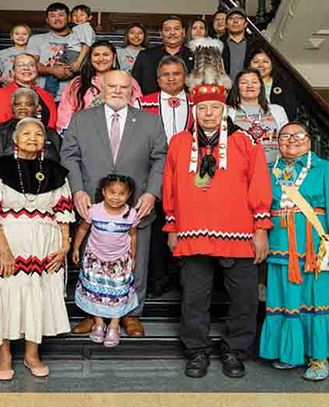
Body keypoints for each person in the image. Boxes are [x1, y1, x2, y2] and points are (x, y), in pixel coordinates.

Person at [162, 68, 272, 379]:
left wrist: (260, 230)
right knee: (195, 297)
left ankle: (235, 349)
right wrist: (172, 228)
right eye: (202, 108)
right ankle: (197, 351)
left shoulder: (245, 141)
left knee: (245, 298)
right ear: (194, 111)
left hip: (239, 233)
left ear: (224, 109)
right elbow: (169, 187)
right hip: (192, 233)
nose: (208, 113)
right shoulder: (179, 143)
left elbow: (260, 185)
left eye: (214, 107)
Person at [61, 70, 167, 337]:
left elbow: (160, 159)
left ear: (132, 91)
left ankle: (131, 314)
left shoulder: (150, 122)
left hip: (136, 206)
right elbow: (69, 156)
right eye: (113, 86)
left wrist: (152, 193)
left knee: (135, 262)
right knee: (92, 262)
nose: (118, 91)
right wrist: (77, 191)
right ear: (101, 89)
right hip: (93, 206)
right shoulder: (81, 119)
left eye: (124, 87)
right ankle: (90, 312)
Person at [0, 117, 74, 380]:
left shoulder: (55, 171)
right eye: (25, 133)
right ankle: (3, 355)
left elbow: (63, 212)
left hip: (44, 245)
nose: (32, 138)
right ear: (15, 139)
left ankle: (31, 354)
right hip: (7, 242)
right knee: (5, 294)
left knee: (37, 294)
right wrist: (4, 251)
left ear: (45, 141)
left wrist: (64, 246)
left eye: (38, 134)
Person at [259, 122, 329, 381]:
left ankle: (318, 357)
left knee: (317, 301)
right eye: (285, 136)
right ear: (277, 142)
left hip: (316, 251)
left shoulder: (326, 170)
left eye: (298, 135)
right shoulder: (268, 171)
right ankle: (291, 354)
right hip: (280, 250)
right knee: (285, 301)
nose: (291, 140)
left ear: (310, 140)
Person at [134, 55, 194, 297]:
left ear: (185, 77)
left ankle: (183, 277)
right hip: (152, 174)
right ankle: (157, 278)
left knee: (186, 225)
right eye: (166, 75)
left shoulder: (198, 104)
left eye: (176, 74)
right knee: (157, 227)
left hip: (188, 176)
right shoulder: (142, 103)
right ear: (158, 79)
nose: (171, 78)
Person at [73, 174, 139, 348]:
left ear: (128, 195)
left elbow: (132, 235)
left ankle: (114, 326)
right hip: (95, 258)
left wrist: (133, 256)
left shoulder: (130, 214)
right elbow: (82, 229)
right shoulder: (94, 210)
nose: (116, 197)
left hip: (119, 261)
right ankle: (99, 323)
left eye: (121, 193)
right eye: (111, 192)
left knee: (117, 293)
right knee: (95, 292)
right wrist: (75, 248)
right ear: (103, 192)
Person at [0, 88, 62, 189]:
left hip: (45, 194)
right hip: (2, 196)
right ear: (12, 108)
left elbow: (62, 167)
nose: (22, 108)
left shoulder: (51, 135)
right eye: (17, 104)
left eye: (28, 104)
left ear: (38, 108)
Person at [57, 40, 142, 134]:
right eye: (96, 55)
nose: (101, 59)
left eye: (106, 54)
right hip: (84, 136)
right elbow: (65, 112)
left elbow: (137, 110)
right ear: (90, 58)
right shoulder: (78, 83)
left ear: (114, 57)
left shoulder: (128, 81)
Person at [227, 68, 289, 164]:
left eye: (254, 82)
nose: (249, 86)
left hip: (273, 168)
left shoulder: (278, 110)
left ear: (261, 86)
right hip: (240, 168)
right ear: (237, 87)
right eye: (244, 83)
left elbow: (286, 139)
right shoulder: (228, 112)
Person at [0, 53, 58, 131]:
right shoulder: (1, 95)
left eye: (31, 65)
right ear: (13, 71)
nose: (26, 68)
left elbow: (52, 127)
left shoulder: (47, 96)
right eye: (20, 65)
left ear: (37, 70)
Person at [132, 15, 194, 95]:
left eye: (176, 29)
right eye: (167, 29)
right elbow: (134, 85)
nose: (172, 33)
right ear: (161, 33)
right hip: (150, 104)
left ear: (184, 32)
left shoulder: (195, 56)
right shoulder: (146, 55)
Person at [27, 2, 74, 101]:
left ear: (69, 18)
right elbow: (30, 65)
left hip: (72, 97)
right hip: (43, 95)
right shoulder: (36, 39)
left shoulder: (80, 40)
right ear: (47, 20)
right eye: (52, 16)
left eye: (61, 15)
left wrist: (72, 71)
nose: (57, 19)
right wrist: (53, 70)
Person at [249, 48, 298, 120]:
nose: (260, 65)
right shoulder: (241, 85)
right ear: (249, 64)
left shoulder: (283, 85)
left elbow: (290, 111)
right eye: (256, 62)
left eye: (265, 61)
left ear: (272, 64)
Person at [221, 7, 259, 81]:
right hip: (225, 88)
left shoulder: (256, 44)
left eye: (240, 18)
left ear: (245, 24)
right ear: (226, 24)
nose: (235, 21)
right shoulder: (218, 44)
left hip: (248, 87)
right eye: (231, 18)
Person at [65, 5, 96, 73]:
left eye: (82, 15)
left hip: (76, 54)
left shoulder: (85, 27)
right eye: (75, 15)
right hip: (71, 52)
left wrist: (78, 62)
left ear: (89, 17)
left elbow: (86, 45)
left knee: (72, 71)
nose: (78, 17)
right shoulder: (78, 27)